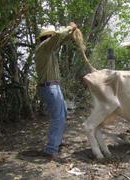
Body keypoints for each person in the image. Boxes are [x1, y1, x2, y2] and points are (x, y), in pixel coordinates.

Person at [34, 22, 77, 159]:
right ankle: (51, 149)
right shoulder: (44, 47)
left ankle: (56, 143)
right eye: (51, 36)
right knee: (57, 118)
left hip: (52, 87)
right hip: (50, 87)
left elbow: (60, 39)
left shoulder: (47, 49)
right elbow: (58, 36)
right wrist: (70, 28)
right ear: (48, 37)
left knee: (62, 114)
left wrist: (71, 33)